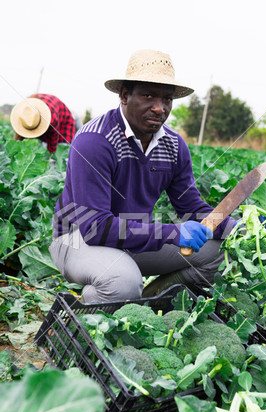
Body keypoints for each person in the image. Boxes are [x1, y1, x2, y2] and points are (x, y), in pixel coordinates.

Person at [49, 49, 236, 303]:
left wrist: (234, 228)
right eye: (149, 96)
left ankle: (148, 301)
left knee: (223, 253)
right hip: (75, 238)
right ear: (125, 95)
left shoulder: (174, 146)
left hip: (133, 237)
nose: (160, 108)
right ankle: (85, 316)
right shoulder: (95, 141)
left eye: (167, 99)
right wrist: (173, 233)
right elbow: (95, 228)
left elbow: (191, 207)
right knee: (122, 282)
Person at [10, 93, 81, 153]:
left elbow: (52, 147)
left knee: (62, 150)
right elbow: (19, 140)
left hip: (65, 117)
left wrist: (50, 158)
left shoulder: (52, 120)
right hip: (52, 109)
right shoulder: (26, 110)